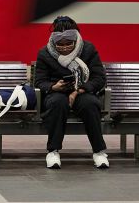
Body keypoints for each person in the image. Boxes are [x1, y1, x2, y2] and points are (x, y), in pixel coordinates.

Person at [34, 16, 108, 169]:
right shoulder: (45, 53)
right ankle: (53, 151)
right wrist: (54, 86)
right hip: (56, 92)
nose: (65, 47)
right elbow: (40, 82)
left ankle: (99, 151)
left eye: (69, 44)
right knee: (58, 103)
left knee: (91, 104)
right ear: (54, 41)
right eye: (60, 44)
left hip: (81, 91)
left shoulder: (88, 49)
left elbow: (99, 78)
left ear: (76, 40)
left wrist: (78, 90)